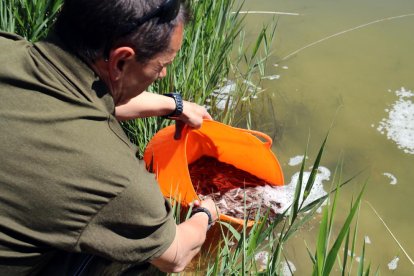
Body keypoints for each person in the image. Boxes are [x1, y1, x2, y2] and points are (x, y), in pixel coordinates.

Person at [0, 0, 219, 274]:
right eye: (162, 65)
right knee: (141, 253)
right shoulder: (117, 178)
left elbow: (76, 96)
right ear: (121, 60)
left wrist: (174, 106)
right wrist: (206, 214)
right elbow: (176, 255)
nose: (163, 74)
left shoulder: (8, 48)